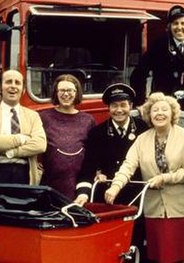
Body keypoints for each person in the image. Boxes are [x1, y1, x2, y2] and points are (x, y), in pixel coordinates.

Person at [105, 92, 184, 263]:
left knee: (180, 257)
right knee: (159, 256)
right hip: (154, 208)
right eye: (155, 110)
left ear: (172, 114)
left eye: (164, 110)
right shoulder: (142, 139)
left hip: (180, 208)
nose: (159, 113)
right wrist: (115, 186)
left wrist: (165, 178)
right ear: (149, 114)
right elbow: (128, 165)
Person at [74, 83, 149, 261]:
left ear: (131, 106)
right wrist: (83, 193)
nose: (119, 110)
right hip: (107, 198)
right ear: (108, 108)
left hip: (136, 196)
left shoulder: (143, 129)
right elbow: (87, 167)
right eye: (114, 106)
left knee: (136, 243)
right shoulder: (97, 133)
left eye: (123, 105)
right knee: (107, 246)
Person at [0, 69, 47, 200]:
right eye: (8, 82)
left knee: (22, 218)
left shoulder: (33, 116)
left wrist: (11, 152)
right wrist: (21, 138)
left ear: (23, 89)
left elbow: (40, 145)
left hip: (24, 175)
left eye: (17, 83)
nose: (13, 86)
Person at [130, 5, 184, 116]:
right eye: (175, 23)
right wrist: (140, 102)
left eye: (183, 23)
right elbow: (138, 74)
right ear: (170, 26)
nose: (179, 27)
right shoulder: (160, 45)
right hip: (163, 104)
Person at [39, 74, 95, 200]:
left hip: (79, 182)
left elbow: (93, 152)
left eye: (70, 90)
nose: (66, 94)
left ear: (76, 93)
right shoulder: (44, 117)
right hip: (50, 181)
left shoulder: (88, 120)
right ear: (56, 93)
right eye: (62, 90)